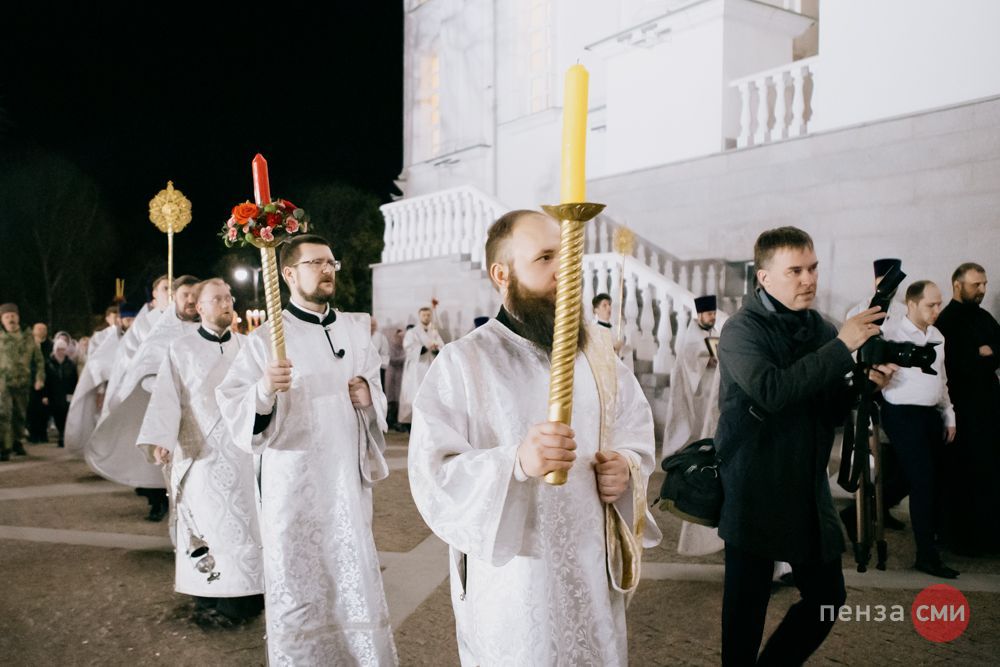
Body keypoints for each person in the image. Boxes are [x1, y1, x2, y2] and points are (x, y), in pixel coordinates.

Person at [408, 210, 660, 666]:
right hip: (514, 585)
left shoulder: (599, 356)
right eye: (545, 258)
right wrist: (516, 462)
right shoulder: (463, 363)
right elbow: (434, 474)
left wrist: (625, 465)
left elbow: (634, 429)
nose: (565, 269)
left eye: (567, 255)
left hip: (589, 569)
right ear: (501, 274)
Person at [715, 226, 896, 665]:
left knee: (828, 597)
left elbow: (827, 409)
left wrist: (864, 385)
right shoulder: (741, 330)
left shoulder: (821, 328)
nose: (808, 279)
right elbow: (772, 391)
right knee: (746, 612)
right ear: (764, 278)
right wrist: (842, 347)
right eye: (794, 271)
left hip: (806, 484)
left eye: (812, 268)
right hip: (755, 482)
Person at [217, 234, 396, 665]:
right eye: (316, 263)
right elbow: (234, 405)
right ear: (289, 274)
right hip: (293, 487)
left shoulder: (354, 330)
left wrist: (370, 396)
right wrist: (264, 390)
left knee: (353, 573)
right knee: (298, 580)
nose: (328, 269)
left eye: (331, 262)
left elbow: (374, 388)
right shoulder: (266, 339)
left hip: (346, 482)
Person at [137, 278, 265, 626]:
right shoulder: (181, 348)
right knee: (209, 525)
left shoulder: (249, 347)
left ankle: (247, 595)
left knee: (246, 525)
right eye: (217, 298)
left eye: (229, 297)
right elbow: (167, 397)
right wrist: (162, 439)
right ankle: (208, 593)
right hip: (201, 454)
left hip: (242, 453)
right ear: (200, 308)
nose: (226, 303)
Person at [87, 276, 200, 521]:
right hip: (158, 402)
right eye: (167, 288)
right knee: (159, 456)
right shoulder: (153, 325)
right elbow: (139, 361)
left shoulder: (206, 325)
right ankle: (157, 500)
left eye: (195, 295)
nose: (190, 300)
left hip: (198, 409)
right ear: (160, 295)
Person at [880, 280, 959, 578]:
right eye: (931, 304)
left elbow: (942, 379)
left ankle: (864, 510)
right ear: (912, 304)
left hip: (930, 413)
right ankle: (927, 555)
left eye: (939, 304)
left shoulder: (937, 335)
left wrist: (949, 414)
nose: (937, 310)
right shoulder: (892, 333)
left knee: (916, 477)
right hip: (901, 413)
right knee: (923, 481)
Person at [933, 262, 1000, 556]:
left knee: (989, 471)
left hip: (988, 406)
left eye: (984, 284)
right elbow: (958, 365)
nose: (982, 290)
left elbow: (995, 351)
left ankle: (988, 535)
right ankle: (963, 539)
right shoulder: (946, 321)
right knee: (964, 474)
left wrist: (986, 354)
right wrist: (984, 355)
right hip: (963, 408)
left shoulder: (983, 317)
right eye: (976, 285)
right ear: (957, 285)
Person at [64, 303, 137, 455]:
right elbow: (96, 364)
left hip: (132, 386)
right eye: (127, 320)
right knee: (106, 419)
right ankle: (103, 452)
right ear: (121, 320)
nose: (131, 323)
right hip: (109, 386)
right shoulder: (104, 337)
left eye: (133, 319)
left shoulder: (140, 335)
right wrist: (100, 390)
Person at [0, 303, 45, 460]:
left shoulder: (29, 338)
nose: (10, 319)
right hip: (3, 382)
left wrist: (40, 378)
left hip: (23, 381)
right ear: (2, 320)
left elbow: (39, 360)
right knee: (3, 413)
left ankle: (16, 441)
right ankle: (3, 447)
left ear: (18, 317)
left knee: (19, 414)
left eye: (13, 316)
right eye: (6, 317)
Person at [398, 306, 444, 427]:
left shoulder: (434, 332)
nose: (426, 317)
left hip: (430, 368)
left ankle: (430, 423)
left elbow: (441, 347)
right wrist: (424, 348)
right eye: (424, 315)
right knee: (416, 395)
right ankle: (413, 424)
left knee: (431, 396)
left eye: (428, 315)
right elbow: (409, 348)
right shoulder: (412, 332)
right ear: (419, 316)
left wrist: (436, 349)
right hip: (417, 369)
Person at [43, 338, 78, 448]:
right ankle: (60, 433)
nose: (61, 351)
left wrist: (74, 394)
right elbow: (45, 381)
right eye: (59, 349)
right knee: (57, 415)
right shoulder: (48, 364)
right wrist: (45, 395)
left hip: (67, 394)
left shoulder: (71, 364)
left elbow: (74, 380)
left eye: (63, 349)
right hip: (53, 394)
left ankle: (63, 436)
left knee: (66, 415)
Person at [592, 292, 634, 370]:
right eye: (604, 305)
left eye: (609, 304)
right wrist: (614, 348)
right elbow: (596, 352)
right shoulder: (593, 329)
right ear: (596, 310)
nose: (609, 308)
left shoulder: (615, 329)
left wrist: (622, 349)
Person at [27, 322, 52, 443]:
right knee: (32, 407)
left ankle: (43, 433)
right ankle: (33, 433)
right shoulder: (28, 345)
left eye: (43, 329)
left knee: (45, 408)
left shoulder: (51, 345)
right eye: (38, 329)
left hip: (47, 380)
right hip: (30, 380)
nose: (41, 331)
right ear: (33, 331)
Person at [384, 327, 406, 430]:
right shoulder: (391, 346)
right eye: (399, 337)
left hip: (400, 374)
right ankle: (390, 421)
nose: (401, 339)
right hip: (392, 374)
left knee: (398, 398)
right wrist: (406, 358)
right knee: (391, 397)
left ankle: (397, 422)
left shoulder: (405, 347)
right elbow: (392, 359)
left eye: (402, 337)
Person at [371, 316, 390, 388]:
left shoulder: (381, 337)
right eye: (371, 325)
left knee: (379, 387)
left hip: (378, 368)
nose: (372, 327)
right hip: (364, 368)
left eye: (374, 325)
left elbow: (385, 353)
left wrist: (382, 367)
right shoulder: (361, 336)